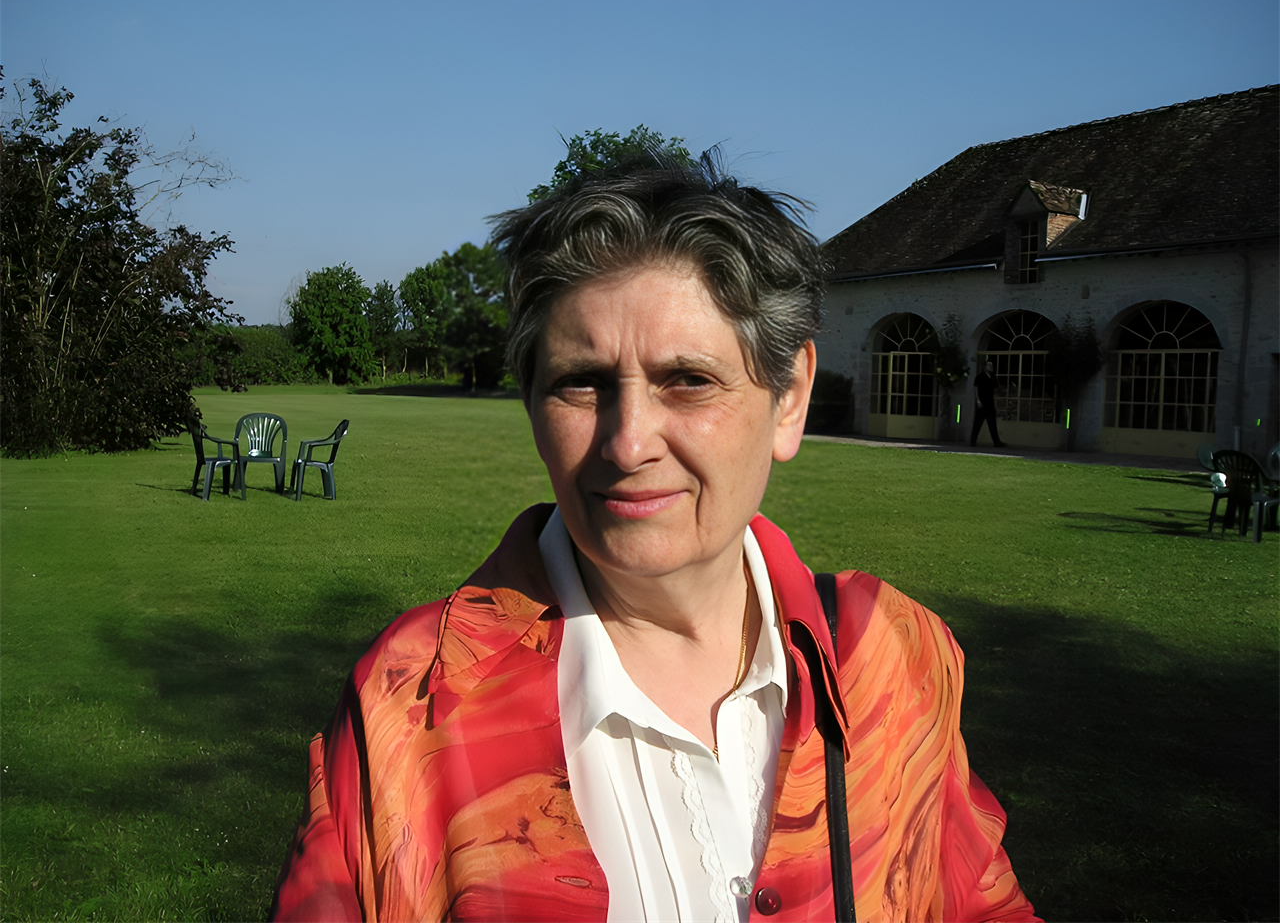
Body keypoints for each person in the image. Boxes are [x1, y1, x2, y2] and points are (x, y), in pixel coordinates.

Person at [270, 153, 1039, 922]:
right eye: (582, 382)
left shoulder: (889, 655)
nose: (628, 443)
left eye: (689, 380)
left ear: (789, 399)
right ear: (532, 403)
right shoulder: (408, 701)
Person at [970, 359, 1006, 447]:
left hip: (990, 403)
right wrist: (978, 400)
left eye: (991, 366)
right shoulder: (980, 377)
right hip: (982, 403)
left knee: (992, 424)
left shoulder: (993, 377)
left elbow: (996, 389)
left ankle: (997, 442)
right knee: (977, 423)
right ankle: (973, 441)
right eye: (989, 366)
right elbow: (976, 389)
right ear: (985, 367)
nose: (991, 367)